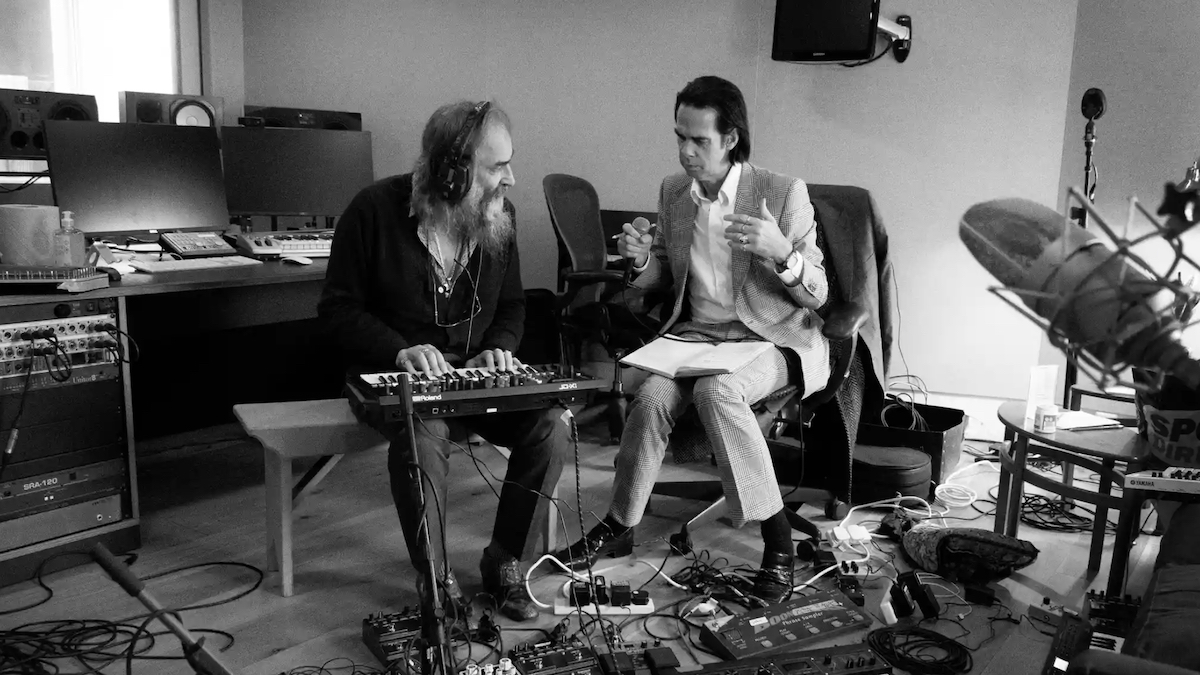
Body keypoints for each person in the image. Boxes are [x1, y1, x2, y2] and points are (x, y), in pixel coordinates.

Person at [553, 75, 831, 604]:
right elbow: (666, 276)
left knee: (716, 391)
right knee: (652, 395)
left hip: (771, 338)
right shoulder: (674, 193)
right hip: (697, 337)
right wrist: (641, 262)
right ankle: (621, 522)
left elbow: (817, 295)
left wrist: (782, 253)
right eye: (680, 137)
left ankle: (779, 544)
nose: (685, 152)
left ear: (731, 139)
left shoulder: (781, 192)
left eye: (699, 140)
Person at [318, 100, 570, 622]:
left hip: (472, 376)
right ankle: (435, 577)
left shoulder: (500, 218)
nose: (511, 179)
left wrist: (499, 347)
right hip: (391, 375)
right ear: (451, 172)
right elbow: (337, 311)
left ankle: (504, 561)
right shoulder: (372, 210)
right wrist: (398, 349)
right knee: (425, 433)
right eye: (497, 167)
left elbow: (513, 306)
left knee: (550, 426)